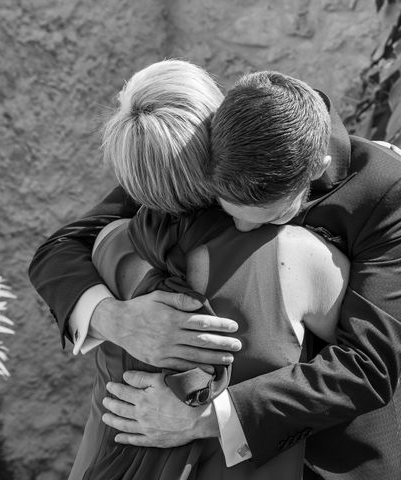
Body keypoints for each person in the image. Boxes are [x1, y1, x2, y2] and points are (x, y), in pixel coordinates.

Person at [29, 65, 401, 479]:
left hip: (338, 459)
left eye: (261, 218)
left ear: (315, 169)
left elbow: (374, 361)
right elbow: (59, 249)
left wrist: (205, 418)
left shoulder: (387, 187)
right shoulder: (216, 143)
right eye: (225, 206)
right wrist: (116, 319)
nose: (240, 229)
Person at [66, 59, 350, 479]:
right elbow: (378, 351)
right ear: (216, 142)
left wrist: (109, 317)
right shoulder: (304, 258)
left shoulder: (105, 249)